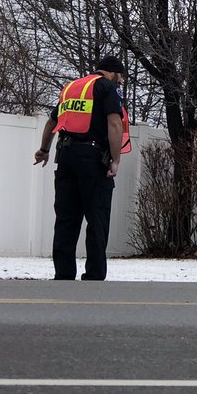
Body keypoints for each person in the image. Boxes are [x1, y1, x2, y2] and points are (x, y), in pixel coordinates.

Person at [34, 55, 131, 280]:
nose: (121, 82)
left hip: (66, 156)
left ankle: (64, 273)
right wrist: (115, 160)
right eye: (121, 77)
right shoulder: (107, 88)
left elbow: (52, 121)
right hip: (93, 159)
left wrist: (44, 149)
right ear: (112, 72)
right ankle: (94, 275)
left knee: (66, 217)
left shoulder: (72, 88)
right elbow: (114, 123)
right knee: (97, 217)